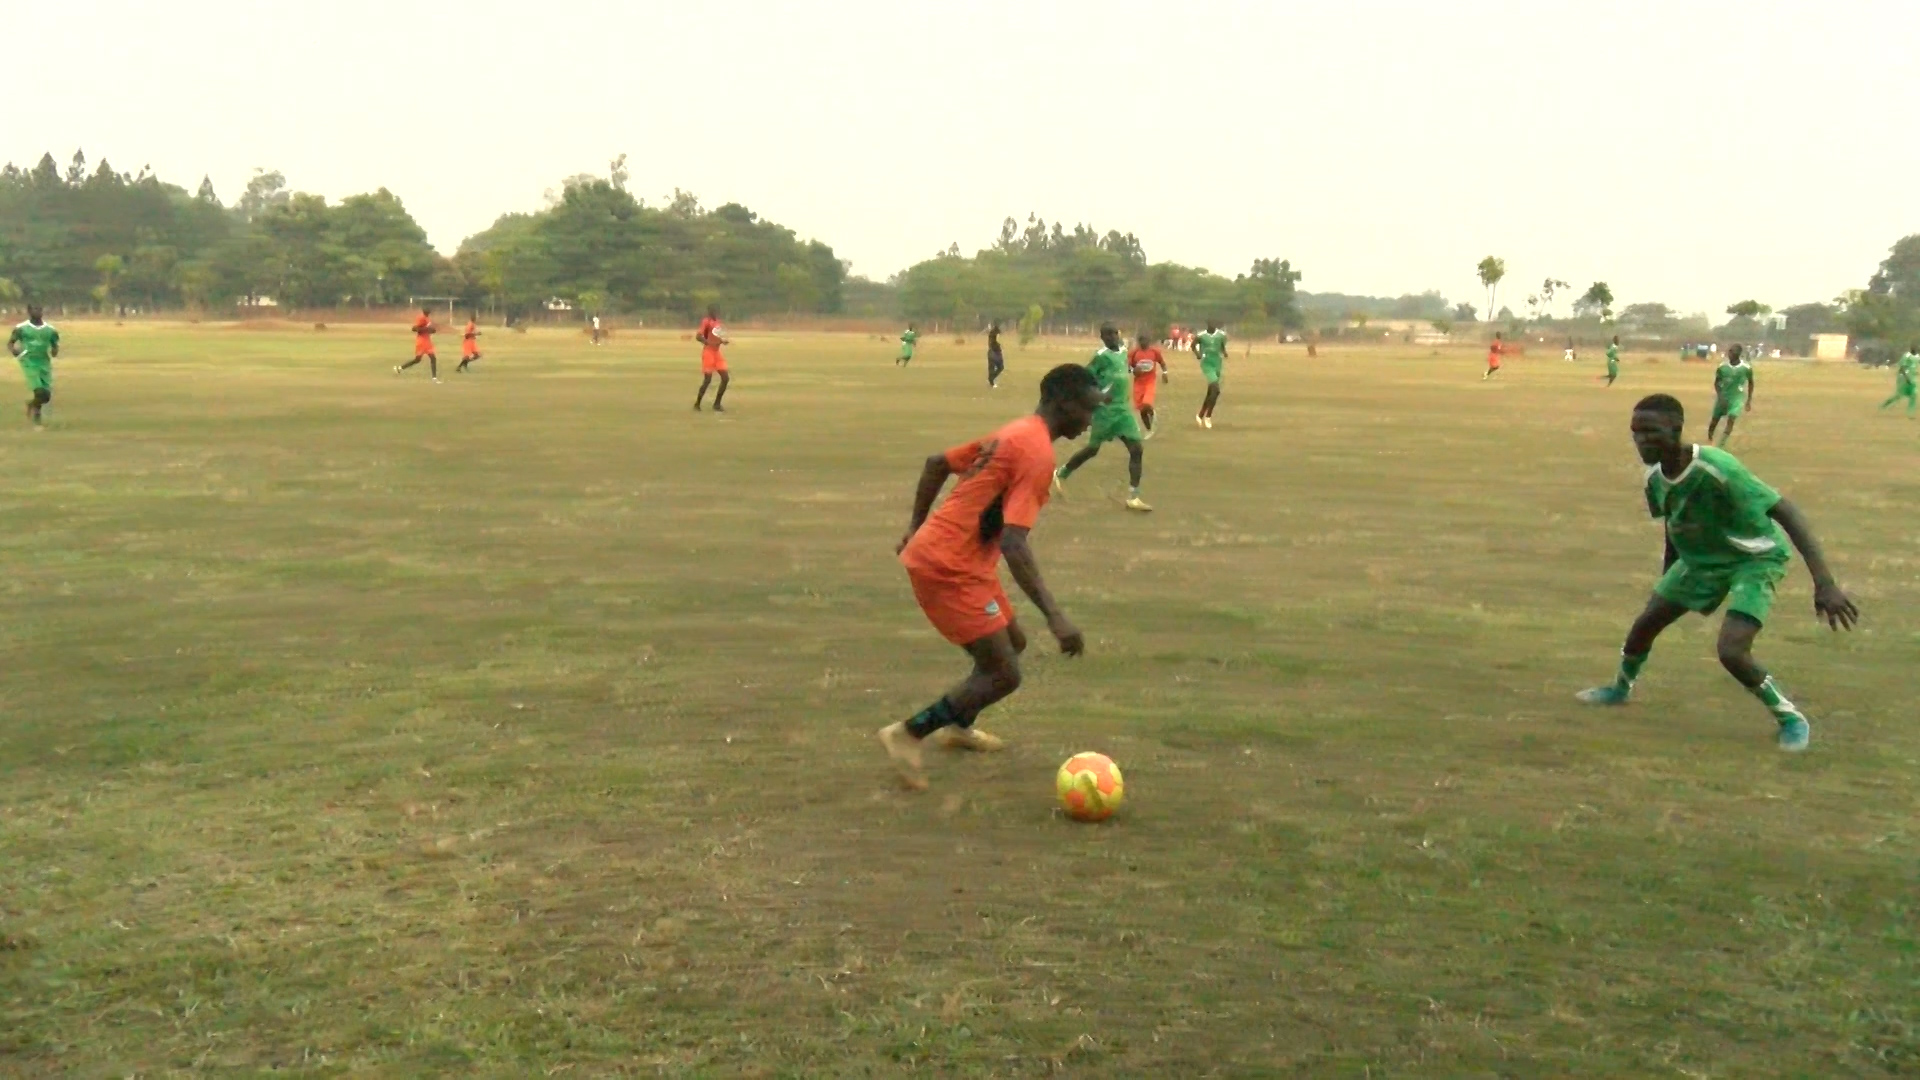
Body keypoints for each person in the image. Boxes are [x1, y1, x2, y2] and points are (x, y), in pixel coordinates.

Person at [1576, 393, 1857, 751]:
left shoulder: (1717, 467)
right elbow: (1673, 524)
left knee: (1732, 650)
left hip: (1753, 559)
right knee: (1644, 625)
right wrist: (1669, 575)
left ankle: (1790, 718)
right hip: (1700, 561)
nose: (1641, 440)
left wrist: (1825, 583)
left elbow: (1784, 510)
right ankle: (1619, 689)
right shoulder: (1655, 479)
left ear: (1676, 428)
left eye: (1651, 431)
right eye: (1635, 433)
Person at [879, 363, 1104, 790]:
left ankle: (959, 725)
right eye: (1087, 411)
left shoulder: (1019, 432)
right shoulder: (1036, 453)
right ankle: (908, 733)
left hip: (966, 563)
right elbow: (1014, 544)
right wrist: (1056, 617)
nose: (1089, 421)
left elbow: (935, 464)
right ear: (1063, 403)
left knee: (1012, 646)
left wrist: (915, 527)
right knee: (1004, 672)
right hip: (948, 568)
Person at [1054, 323, 1152, 511]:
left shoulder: (1124, 352)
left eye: (1114, 333)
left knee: (1136, 449)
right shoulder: (1100, 357)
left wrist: (1134, 371)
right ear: (1102, 338)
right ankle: (1061, 472)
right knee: (1092, 449)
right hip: (1105, 412)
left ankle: (1134, 496)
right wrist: (1097, 395)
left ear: (1118, 334)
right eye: (1107, 335)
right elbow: (1085, 379)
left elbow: (1124, 370)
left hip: (1123, 411)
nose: (1112, 337)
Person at [8, 303, 59, 427]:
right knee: (39, 391)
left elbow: (54, 344)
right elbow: (11, 343)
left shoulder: (50, 330)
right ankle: (37, 417)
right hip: (29, 361)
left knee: (46, 396)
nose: (38, 311)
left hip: (44, 362)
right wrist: (15, 351)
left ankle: (31, 405)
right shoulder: (22, 328)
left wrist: (54, 350)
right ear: (29, 311)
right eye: (35, 309)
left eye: (40, 309)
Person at [1707, 344, 1755, 445]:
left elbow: (1751, 382)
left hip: (1736, 398)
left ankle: (1721, 444)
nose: (1729, 354)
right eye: (1729, 351)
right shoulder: (1722, 367)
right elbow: (1717, 383)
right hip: (1724, 396)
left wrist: (1749, 400)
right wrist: (1720, 396)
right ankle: (1709, 438)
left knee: (1732, 418)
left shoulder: (1746, 368)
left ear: (1738, 354)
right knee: (1714, 420)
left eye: (1732, 352)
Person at [1127, 331, 1169, 437]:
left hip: (1150, 382)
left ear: (1149, 341)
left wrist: (1165, 373)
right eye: (1141, 340)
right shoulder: (1134, 353)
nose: (1143, 342)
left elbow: (1162, 363)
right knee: (1142, 409)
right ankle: (1149, 429)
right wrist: (1133, 370)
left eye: (1145, 340)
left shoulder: (1154, 352)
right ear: (1138, 341)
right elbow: (1128, 366)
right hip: (1138, 383)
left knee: (1147, 404)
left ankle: (1152, 413)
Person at [1192, 320, 1227, 427]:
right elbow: (1193, 345)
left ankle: (1200, 414)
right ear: (1207, 325)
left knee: (1213, 392)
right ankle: (1208, 417)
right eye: (1211, 324)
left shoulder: (1221, 335)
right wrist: (1198, 354)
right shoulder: (1201, 336)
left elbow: (1221, 346)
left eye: (1214, 324)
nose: (1213, 326)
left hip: (1217, 363)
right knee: (1215, 388)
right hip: (1207, 363)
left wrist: (1224, 352)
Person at [694, 306, 730, 412]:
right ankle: (697, 403)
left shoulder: (718, 323)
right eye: (713, 311)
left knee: (725, 378)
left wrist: (722, 341)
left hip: (717, 353)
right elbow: (698, 336)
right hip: (708, 352)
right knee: (707, 380)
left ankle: (717, 404)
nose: (715, 313)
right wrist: (707, 343)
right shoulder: (706, 322)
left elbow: (717, 336)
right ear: (709, 312)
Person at [395, 307, 440, 382]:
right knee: (417, 360)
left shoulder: (427, 319)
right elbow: (415, 328)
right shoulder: (421, 318)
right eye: (427, 311)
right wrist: (426, 329)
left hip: (427, 341)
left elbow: (429, 329)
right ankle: (400, 368)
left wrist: (432, 330)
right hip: (421, 342)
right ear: (424, 311)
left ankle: (434, 378)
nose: (429, 312)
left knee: (433, 358)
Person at [1879, 344, 1918, 417]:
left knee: (1914, 395)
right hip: (1903, 379)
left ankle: (1910, 414)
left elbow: (1915, 366)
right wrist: (1907, 378)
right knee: (1898, 396)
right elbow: (1902, 368)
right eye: (1914, 347)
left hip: (1912, 379)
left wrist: (1915, 374)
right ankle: (1884, 405)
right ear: (1911, 348)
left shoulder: (1917, 357)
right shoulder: (1906, 356)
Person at [986, 321, 1005, 388]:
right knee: (1000, 367)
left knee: (992, 368)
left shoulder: (991, 334)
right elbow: (996, 342)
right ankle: (991, 379)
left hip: (991, 352)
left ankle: (991, 380)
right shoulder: (995, 335)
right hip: (995, 352)